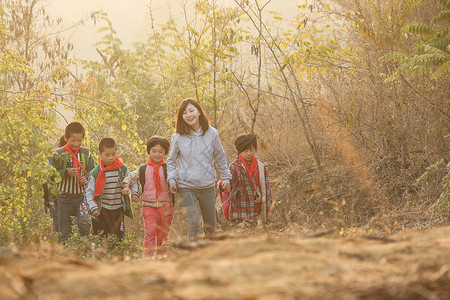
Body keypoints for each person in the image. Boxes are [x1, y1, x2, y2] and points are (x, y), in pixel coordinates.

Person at [166, 98, 231, 238]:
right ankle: (192, 255)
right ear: (181, 117)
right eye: (184, 113)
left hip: (207, 185)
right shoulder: (177, 137)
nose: (189, 115)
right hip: (186, 185)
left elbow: (220, 157)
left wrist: (226, 177)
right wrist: (171, 179)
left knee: (210, 226)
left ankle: (209, 256)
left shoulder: (212, 133)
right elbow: (170, 161)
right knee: (194, 222)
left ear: (199, 112)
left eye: (191, 110)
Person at [122, 136, 173, 256]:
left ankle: (162, 258)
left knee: (163, 234)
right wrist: (125, 186)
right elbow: (130, 176)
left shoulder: (169, 169)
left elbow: (177, 179)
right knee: (150, 232)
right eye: (154, 151)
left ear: (165, 152)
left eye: (161, 151)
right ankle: (148, 258)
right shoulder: (143, 169)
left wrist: (175, 186)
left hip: (166, 206)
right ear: (149, 151)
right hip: (148, 206)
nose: (157, 154)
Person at [50, 122, 95, 242]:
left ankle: (83, 252)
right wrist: (66, 172)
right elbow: (51, 173)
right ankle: (65, 256)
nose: (76, 143)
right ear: (66, 138)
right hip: (63, 198)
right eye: (73, 140)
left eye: (79, 140)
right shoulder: (58, 154)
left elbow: (93, 171)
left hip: (82, 197)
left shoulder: (86, 153)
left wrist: (87, 177)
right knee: (64, 230)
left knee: (84, 225)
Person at [85, 138, 137, 239]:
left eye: (113, 154)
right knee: (100, 238)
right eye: (107, 155)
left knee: (118, 239)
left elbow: (132, 180)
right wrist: (93, 208)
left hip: (118, 211)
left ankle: (119, 255)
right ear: (99, 154)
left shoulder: (122, 169)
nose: (111, 158)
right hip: (102, 211)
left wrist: (134, 193)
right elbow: (89, 192)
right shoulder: (95, 173)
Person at [224, 133, 272, 225]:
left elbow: (266, 189)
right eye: (245, 151)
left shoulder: (262, 166)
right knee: (245, 234)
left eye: (251, 150)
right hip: (241, 207)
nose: (249, 153)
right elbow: (228, 180)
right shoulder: (234, 166)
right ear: (240, 152)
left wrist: (267, 214)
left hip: (256, 207)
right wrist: (223, 184)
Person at [43, 135, 67, 233]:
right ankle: (58, 246)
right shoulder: (53, 156)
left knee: (61, 223)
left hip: (64, 195)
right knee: (58, 222)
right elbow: (46, 179)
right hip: (55, 194)